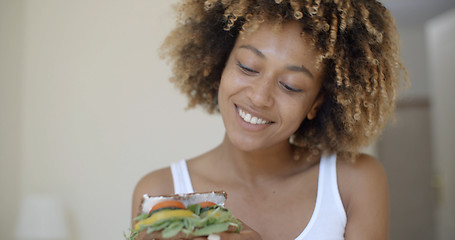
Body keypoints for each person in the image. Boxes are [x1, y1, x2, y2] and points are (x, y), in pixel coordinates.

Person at [131, 0, 406, 239]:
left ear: (315, 104)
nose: (260, 97)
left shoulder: (354, 181)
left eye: (291, 85)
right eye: (248, 67)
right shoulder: (161, 191)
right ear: (220, 64)